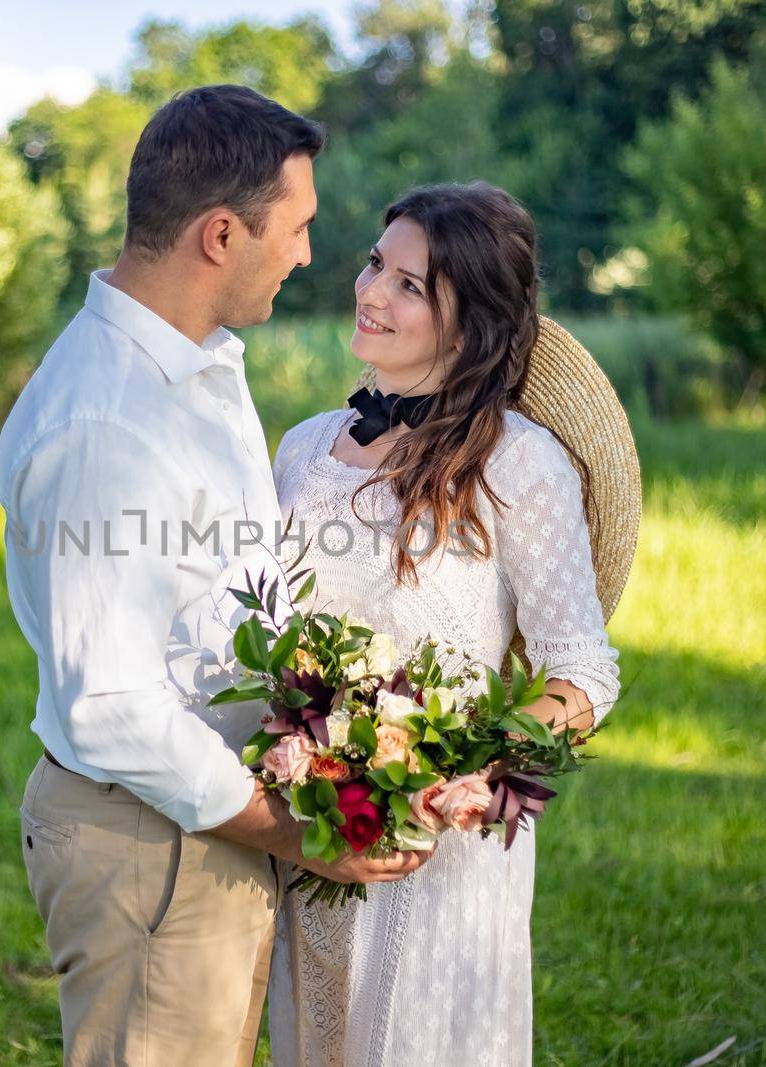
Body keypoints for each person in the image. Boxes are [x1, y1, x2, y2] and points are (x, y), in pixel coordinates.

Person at [0, 85, 431, 1067]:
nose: (312, 255)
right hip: (152, 843)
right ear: (222, 235)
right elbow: (108, 706)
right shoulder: (105, 420)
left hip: (211, 821)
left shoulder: (200, 370)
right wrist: (303, 835)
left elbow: (231, 599)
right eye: (300, 227)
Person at [266, 181, 634, 1065]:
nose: (370, 292)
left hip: (445, 848)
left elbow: (584, 670)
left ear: (467, 326)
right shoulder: (300, 448)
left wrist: (475, 774)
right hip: (311, 830)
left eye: (409, 285)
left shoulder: (521, 460)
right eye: (373, 265)